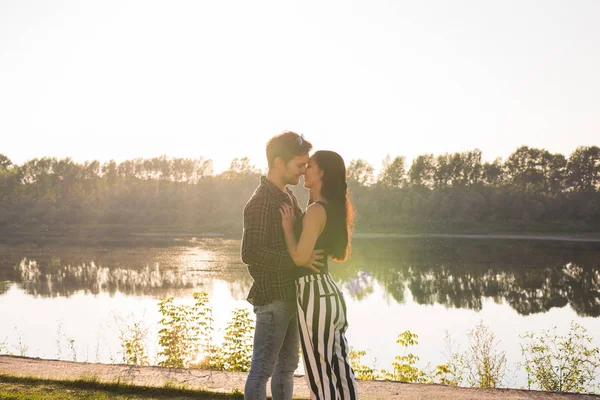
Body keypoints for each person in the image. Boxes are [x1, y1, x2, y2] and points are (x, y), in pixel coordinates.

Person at [241, 131, 324, 400]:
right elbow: (251, 252)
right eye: (299, 164)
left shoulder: (288, 196)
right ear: (279, 163)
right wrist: (294, 260)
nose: (304, 170)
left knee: (286, 369)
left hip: (293, 297)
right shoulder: (260, 201)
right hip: (273, 299)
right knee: (261, 370)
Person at [280, 150, 358, 400]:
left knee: (318, 372)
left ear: (322, 172)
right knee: (341, 369)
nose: (304, 170)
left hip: (313, 293)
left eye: (309, 166)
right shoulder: (332, 208)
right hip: (331, 294)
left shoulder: (315, 210)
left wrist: (288, 229)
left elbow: (300, 257)